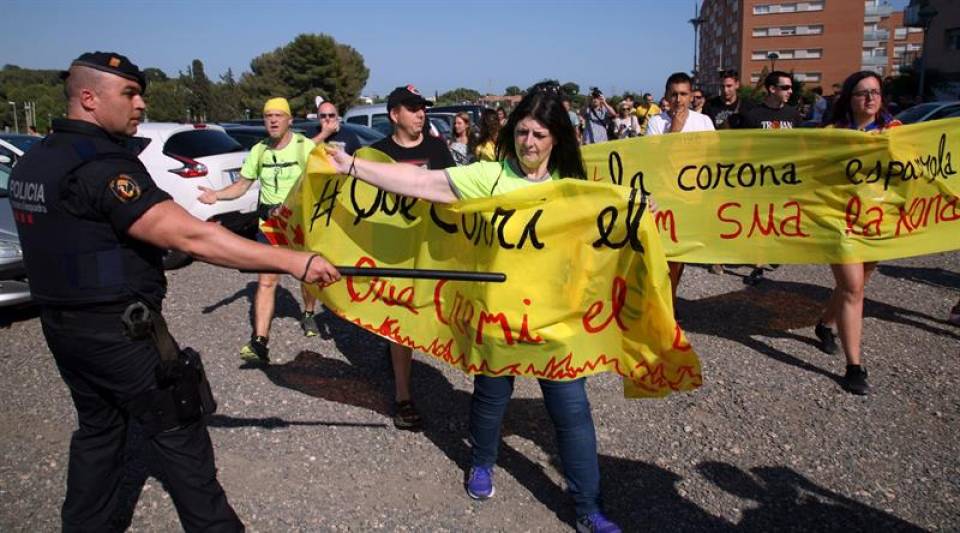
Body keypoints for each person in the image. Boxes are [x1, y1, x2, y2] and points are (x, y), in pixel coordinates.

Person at [8, 51, 339, 532]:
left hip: (64, 329)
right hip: (119, 332)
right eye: (129, 93)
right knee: (181, 436)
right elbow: (190, 237)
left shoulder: (36, 160)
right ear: (88, 97)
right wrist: (297, 261)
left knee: (100, 433)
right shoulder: (100, 166)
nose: (141, 104)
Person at [326, 82, 621, 533]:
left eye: (539, 135)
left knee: (573, 414)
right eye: (521, 132)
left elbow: (615, 226)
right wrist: (351, 166)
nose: (529, 143)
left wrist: (641, 212)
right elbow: (422, 183)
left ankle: (588, 508)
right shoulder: (490, 177)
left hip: (556, 324)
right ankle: (482, 462)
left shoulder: (573, 188)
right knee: (490, 397)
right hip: (498, 318)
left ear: (557, 138)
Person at [198, 96, 320, 362]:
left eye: (279, 115)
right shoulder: (259, 150)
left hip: (299, 226)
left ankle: (309, 313)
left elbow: (318, 184)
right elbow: (241, 186)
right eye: (268, 116)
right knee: (266, 281)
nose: (273, 120)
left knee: (307, 276)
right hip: (270, 226)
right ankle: (260, 342)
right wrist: (216, 196)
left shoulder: (304, 147)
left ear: (289, 120)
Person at [370, 84, 456, 430]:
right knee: (400, 320)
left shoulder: (437, 147)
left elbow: (454, 191)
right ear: (394, 114)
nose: (421, 113)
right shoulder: (376, 153)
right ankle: (403, 398)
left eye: (423, 108)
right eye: (413, 108)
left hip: (431, 249)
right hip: (392, 251)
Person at [814, 71, 901, 396]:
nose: (870, 98)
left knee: (857, 283)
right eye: (863, 93)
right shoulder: (832, 135)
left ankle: (825, 323)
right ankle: (854, 367)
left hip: (878, 221)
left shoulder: (897, 132)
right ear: (849, 99)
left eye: (875, 92)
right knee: (852, 287)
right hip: (840, 222)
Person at [646, 72, 716, 305]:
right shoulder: (657, 123)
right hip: (665, 196)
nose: (679, 100)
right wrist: (674, 130)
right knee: (666, 254)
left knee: (682, 253)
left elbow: (714, 157)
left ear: (691, 95)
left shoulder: (703, 122)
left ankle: (671, 298)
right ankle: (667, 303)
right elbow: (653, 159)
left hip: (693, 196)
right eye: (674, 94)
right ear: (667, 96)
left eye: (684, 94)